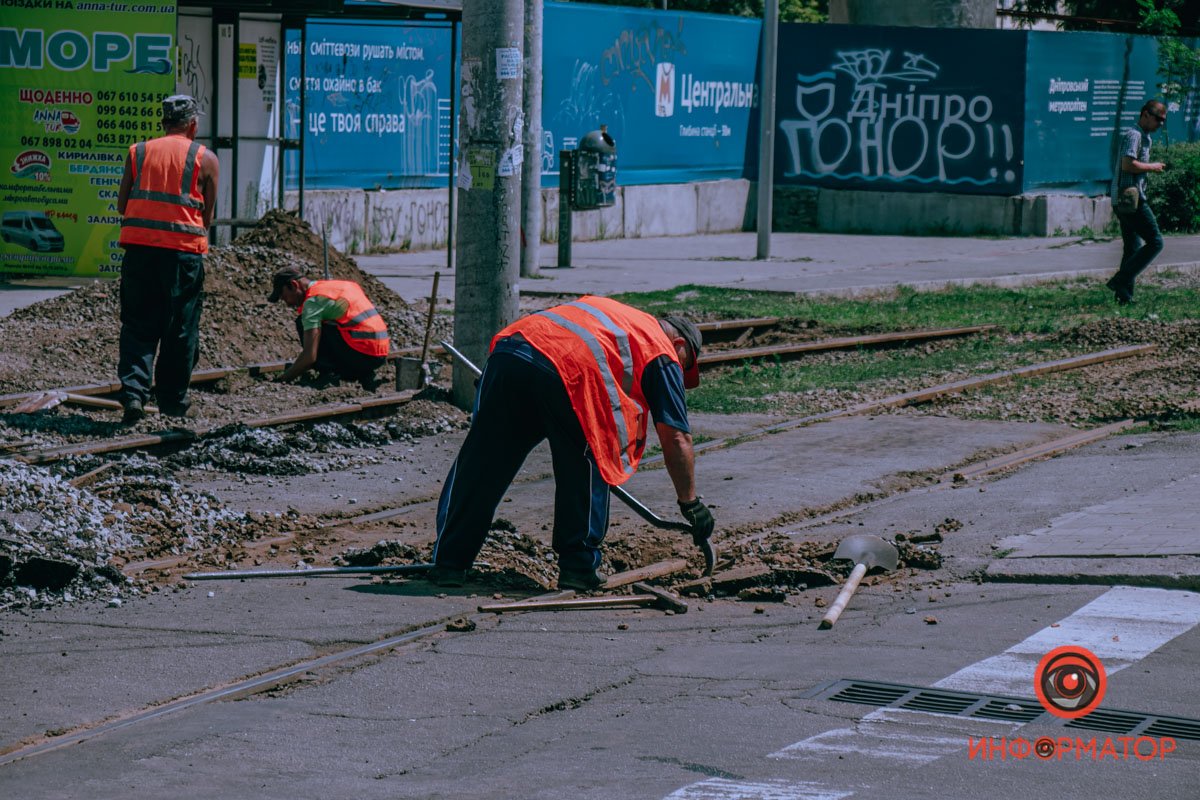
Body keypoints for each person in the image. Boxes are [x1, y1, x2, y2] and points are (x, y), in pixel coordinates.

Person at [429, 296, 715, 590]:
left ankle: (449, 562)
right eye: (685, 367)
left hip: (512, 352)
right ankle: (578, 566)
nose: (680, 375)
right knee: (591, 457)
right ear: (680, 345)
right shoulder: (661, 349)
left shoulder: (615, 313)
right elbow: (676, 436)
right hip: (568, 369)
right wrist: (690, 502)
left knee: (483, 460)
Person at [116, 94, 219, 424]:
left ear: (164, 123)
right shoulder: (206, 159)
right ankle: (172, 402)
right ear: (192, 124)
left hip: (139, 253)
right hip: (182, 257)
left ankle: (134, 395)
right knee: (180, 330)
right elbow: (208, 217)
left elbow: (122, 204)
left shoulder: (138, 153)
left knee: (138, 326)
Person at [267, 266, 390, 389]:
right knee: (331, 324)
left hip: (363, 355)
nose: (287, 303)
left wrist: (282, 380)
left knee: (302, 322)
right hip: (380, 353)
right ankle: (364, 374)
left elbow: (310, 357)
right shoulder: (340, 286)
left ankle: (328, 375)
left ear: (294, 285)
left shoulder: (313, 302)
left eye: (284, 297)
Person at [1106, 99, 1167, 306]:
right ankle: (1120, 280)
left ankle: (1124, 296)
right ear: (1145, 115)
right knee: (1156, 241)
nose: (1160, 124)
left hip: (1124, 199)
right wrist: (1153, 167)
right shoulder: (1134, 135)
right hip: (1130, 199)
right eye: (1158, 119)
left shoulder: (1144, 136)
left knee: (1132, 247)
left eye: (1163, 120)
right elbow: (1127, 164)